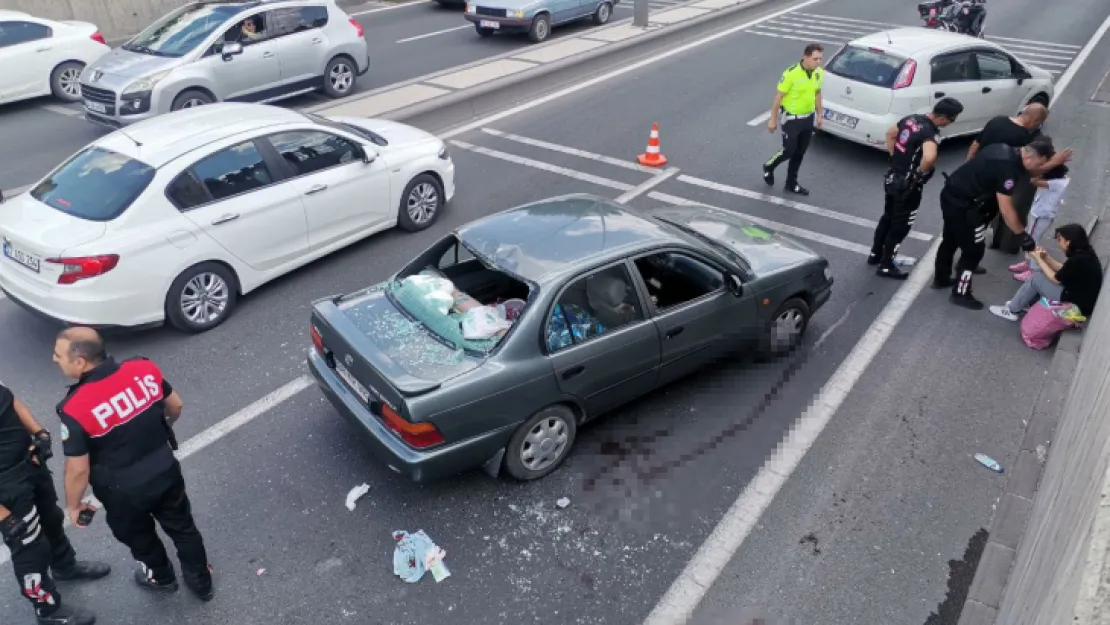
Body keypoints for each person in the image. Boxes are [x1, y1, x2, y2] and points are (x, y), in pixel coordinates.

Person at [53, 327, 215, 601]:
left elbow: (78, 469)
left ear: (80, 362)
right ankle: (201, 581)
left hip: (122, 492)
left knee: (140, 537)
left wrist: (73, 505)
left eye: (58, 355)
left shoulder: (74, 408)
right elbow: (175, 406)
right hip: (165, 470)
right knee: (183, 527)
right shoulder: (143, 368)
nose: (54, 359)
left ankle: (161, 577)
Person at [0, 383, 107, 625]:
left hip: (29, 461)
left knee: (51, 518)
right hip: (6, 485)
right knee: (29, 547)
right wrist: (4, 516)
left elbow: (9, 399)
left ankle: (64, 566)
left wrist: (39, 433)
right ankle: (47, 610)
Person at [933, 139, 1055, 309]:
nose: (1038, 168)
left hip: (952, 195)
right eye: (1039, 164)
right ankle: (960, 293)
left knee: (950, 239)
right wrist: (1022, 235)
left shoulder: (1003, 148)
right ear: (1030, 156)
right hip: (964, 206)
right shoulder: (1008, 169)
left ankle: (941, 277)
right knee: (973, 251)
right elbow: (1006, 209)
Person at [868, 97, 965, 279]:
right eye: (952, 119)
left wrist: (895, 159)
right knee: (901, 226)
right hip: (908, 187)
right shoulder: (930, 133)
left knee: (887, 217)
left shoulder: (911, 119)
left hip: (893, 178)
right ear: (943, 117)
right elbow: (929, 157)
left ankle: (875, 254)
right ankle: (887, 264)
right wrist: (919, 174)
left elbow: (890, 134)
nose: (951, 123)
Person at [990, 223, 1103, 321]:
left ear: (1068, 242)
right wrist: (1046, 258)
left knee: (1036, 278)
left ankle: (1011, 310)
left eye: (1060, 240)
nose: (1058, 243)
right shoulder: (1085, 253)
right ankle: (1025, 303)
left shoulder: (1079, 259)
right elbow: (1064, 269)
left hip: (1076, 304)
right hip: (1079, 297)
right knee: (1041, 272)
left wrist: (1038, 259)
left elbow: (1056, 278)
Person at [762, 43, 824, 196]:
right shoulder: (791, 74)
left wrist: (820, 114)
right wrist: (772, 120)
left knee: (800, 153)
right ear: (805, 57)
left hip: (808, 118)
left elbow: (817, 93)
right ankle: (769, 166)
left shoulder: (818, 73)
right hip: (792, 119)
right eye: (815, 59)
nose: (818, 62)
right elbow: (778, 98)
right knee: (789, 150)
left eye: (820, 59)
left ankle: (791, 183)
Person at [1008, 163, 1070, 280]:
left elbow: (1033, 181)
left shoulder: (1056, 183)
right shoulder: (1062, 180)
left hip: (1041, 216)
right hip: (1042, 215)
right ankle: (1028, 263)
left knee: (1032, 242)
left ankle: (1033, 269)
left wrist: (1041, 171)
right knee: (1033, 240)